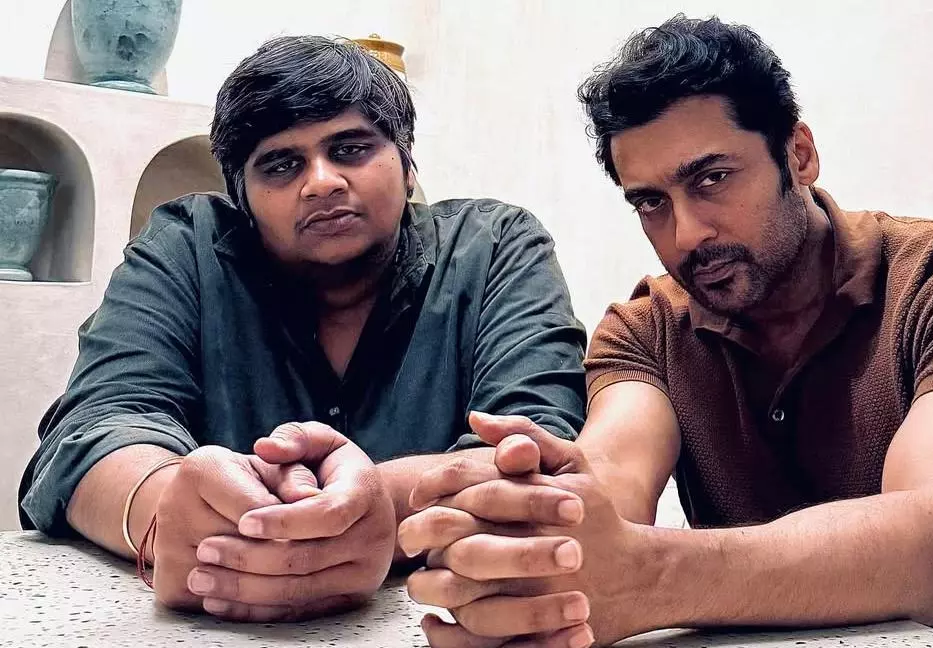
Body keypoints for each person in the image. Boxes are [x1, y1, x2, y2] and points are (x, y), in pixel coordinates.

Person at [395, 15, 933, 648]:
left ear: (799, 155)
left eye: (713, 178)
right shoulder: (645, 329)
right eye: (651, 203)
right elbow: (613, 481)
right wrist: (532, 534)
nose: (687, 234)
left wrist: (649, 577)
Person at [18, 35, 587, 623]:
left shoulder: (495, 249)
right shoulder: (185, 250)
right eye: (281, 165)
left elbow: (538, 444)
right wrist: (168, 512)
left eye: (350, 149)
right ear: (242, 195)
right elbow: (95, 430)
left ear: (407, 161)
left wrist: (375, 507)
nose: (322, 182)